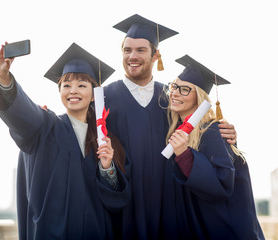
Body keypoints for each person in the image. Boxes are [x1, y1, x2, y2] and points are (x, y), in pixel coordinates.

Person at [103, 14, 238, 239]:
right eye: (127, 50)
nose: (132, 56)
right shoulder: (104, 98)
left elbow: (198, 127)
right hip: (124, 210)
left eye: (140, 50)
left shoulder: (171, 98)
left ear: (156, 55)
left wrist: (228, 133)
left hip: (171, 208)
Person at [0, 42, 131, 239]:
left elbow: (117, 200)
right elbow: (23, 113)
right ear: (60, 91)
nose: (73, 91)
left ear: (93, 96)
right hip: (52, 233)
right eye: (66, 85)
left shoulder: (105, 139)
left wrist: (108, 168)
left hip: (95, 232)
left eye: (82, 85)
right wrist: (4, 78)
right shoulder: (46, 126)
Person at [165, 54, 264, 239]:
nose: (175, 93)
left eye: (185, 89)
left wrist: (185, 156)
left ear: (200, 98)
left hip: (222, 230)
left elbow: (223, 184)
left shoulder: (212, 131)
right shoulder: (180, 131)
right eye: (174, 86)